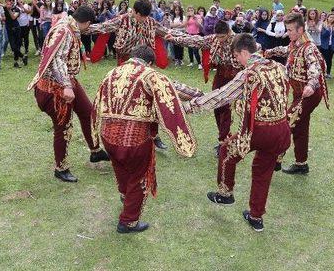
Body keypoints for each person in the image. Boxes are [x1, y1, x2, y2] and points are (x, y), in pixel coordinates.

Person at [175, 33, 290, 232]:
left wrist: (188, 107)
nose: (236, 61)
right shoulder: (279, 67)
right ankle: (256, 217)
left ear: (244, 52)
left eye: (236, 57)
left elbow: (222, 96)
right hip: (281, 129)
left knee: (226, 152)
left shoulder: (249, 74)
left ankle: (226, 194)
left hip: (258, 131)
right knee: (263, 173)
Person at [92, 45, 196, 233]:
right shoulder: (149, 74)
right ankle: (128, 221)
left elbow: (97, 103)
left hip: (107, 134)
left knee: (121, 168)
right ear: (149, 63)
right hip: (134, 137)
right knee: (139, 176)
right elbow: (174, 89)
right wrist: (201, 96)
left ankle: (126, 198)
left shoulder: (112, 72)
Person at [28, 6, 110, 183]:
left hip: (67, 80)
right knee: (63, 127)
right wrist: (66, 85)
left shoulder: (69, 24)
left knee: (88, 112)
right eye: (89, 26)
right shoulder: (65, 31)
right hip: (54, 87)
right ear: (86, 22)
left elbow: (92, 30)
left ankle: (95, 151)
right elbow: (56, 59)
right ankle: (61, 168)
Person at [264, 12, 329, 174]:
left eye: (291, 30)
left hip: (309, 94)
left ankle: (275, 160)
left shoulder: (309, 48)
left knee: (286, 124)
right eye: (287, 29)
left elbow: (317, 67)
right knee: (300, 128)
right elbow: (286, 50)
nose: (288, 33)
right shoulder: (295, 44)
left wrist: (312, 84)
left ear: (301, 30)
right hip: (299, 93)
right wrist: (271, 51)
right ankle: (301, 164)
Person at [166, 21, 242, 154]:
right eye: (217, 36)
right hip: (220, 76)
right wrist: (175, 39)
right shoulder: (214, 39)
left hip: (233, 77)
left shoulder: (237, 41)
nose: (219, 40)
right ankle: (223, 140)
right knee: (216, 107)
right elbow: (196, 41)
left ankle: (224, 141)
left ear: (229, 32)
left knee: (225, 109)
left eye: (222, 37)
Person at [87, 0, 174, 70]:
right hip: (125, 61)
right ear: (134, 11)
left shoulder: (151, 22)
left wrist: (179, 37)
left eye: (146, 16)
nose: (143, 19)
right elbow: (101, 27)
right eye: (140, 16)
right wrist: (78, 28)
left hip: (144, 63)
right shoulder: (121, 20)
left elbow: (168, 32)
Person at [3, 0, 26, 68]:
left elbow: (13, 17)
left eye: (13, 0)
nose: (11, 2)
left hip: (16, 28)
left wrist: (9, 9)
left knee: (17, 46)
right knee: (13, 47)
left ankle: (16, 62)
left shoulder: (17, 9)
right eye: (10, 0)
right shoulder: (3, 8)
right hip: (9, 29)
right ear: (6, 1)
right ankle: (23, 56)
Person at [319, 12, 334, 78]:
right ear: (327, 18)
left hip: (332, 45)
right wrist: (328, 29)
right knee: (324, 59)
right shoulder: (323, 25)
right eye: (330, 17)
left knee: (329, 59)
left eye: (333, 18)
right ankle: (323, 72)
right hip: (324, 45)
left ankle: (328, 73)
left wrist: (333, 30)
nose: (331, 19)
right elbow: (323, 35)